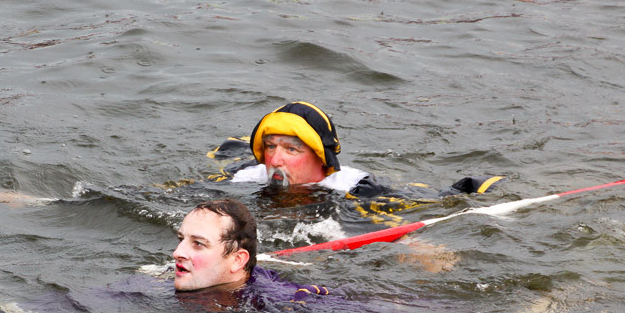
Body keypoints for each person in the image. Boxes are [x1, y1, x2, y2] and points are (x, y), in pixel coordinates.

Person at [208, 101, 503, 217]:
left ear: (321, 157)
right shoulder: (247, 177)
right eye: (270, 147)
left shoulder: (357, 188)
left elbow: (436, 200)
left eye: (291, 149)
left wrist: (474, 188)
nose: (275, 159)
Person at [172, 198, 330, 307]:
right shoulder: (161, 284)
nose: (177, 253)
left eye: (198, 244)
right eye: (181, 239)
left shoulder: (285, 303)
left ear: (237, 260)